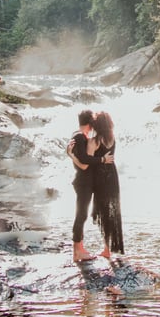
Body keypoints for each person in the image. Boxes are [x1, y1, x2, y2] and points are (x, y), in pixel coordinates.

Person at [68, 110, 123, 260]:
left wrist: (71, 155)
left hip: (99, 179)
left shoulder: (94, 141)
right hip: (112, 176)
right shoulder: (112, 139)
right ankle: (107, 249)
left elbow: (86, 163)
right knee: (109, 212)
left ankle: (83, 250)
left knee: (96, 212)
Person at [68, 109, 100, 262]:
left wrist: (71, 155)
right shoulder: (79, 137)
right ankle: (77, 251)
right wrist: (101, 160)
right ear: (90, 123)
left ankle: (80, 248)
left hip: (85, 181)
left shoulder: (82, 136)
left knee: (82, 214)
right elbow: (84, 162)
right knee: (81, 215)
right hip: (83, 182)